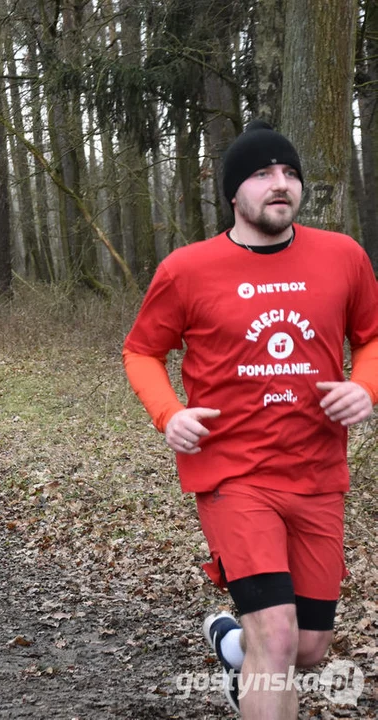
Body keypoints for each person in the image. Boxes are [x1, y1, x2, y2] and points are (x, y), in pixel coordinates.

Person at [123, 120, 378, 718]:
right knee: (279, 637)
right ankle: (255, 654)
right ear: (234, 193)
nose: (280, 184)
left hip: (318, 473)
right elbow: (141, 351)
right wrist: (169, 414)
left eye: (289, 173)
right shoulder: (188, 269)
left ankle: (235, 653)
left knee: (310, 648)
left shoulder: (343, 256)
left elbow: (372, 338)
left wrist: (365, 387)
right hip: (231, 471)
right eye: (263, 174)